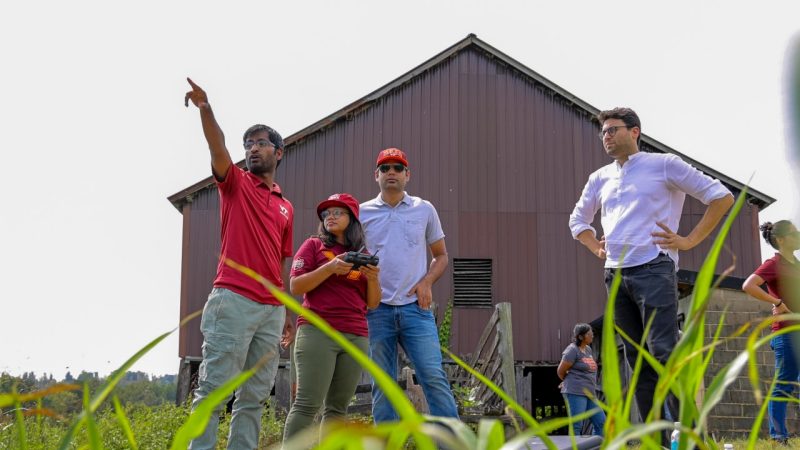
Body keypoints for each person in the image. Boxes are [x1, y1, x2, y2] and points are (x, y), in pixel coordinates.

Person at [568, 107, 734, 424]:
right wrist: (595, 246)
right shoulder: (599, 177)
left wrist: (690, 240)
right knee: (638, 360)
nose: (606, 136)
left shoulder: (663, 165)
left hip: (654, 268)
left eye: (613, 129)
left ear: (635, 131)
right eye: (603, 132)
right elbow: (578, 220)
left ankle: (690, 438)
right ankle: (655, 439)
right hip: (615, 276)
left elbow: (720, 196)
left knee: (664, 353)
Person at [184, 78, 295, 450]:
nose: (252, 149)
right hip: (233, 300)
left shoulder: (285, 206)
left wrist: (286, 309)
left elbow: (281, 260)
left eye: (261, 143)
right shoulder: (235, 183)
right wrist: (206, 108)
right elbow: (218, 146)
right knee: (214, 391)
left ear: (279, 153)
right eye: (248, 144)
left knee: (254, 397)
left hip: (270, 311)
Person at [360, 148, 459, 422]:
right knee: (383, 385)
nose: (391, 172)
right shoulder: (361, 213)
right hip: (376, 310)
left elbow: (441, 255)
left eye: (397, 168)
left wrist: (427, 282)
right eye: (385, 168)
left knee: (433, 377)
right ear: (376, 175)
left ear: (407, 175)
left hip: (417, 309)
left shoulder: (424, 209)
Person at [282, 193, 381, 442]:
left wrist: (373, 278)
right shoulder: (314, 245)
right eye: (327, 214)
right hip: (318, 331)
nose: (330, 217)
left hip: (356, 335)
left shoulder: (363, 253)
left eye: (338, 212)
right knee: (306, 404)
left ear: (353, 219)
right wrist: (329, 267)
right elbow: (296, 287)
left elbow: (372, 303)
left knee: (338, 410)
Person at [742, 220, 800, 445]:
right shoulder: (773, 263)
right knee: (784, 382)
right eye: (795, 234)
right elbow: (749, 285)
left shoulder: (795, 264)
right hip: (786, 332)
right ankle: (778, 436)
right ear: (782, 239)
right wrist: (777, 301)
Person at [557, 323, 606, 437]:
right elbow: (560, 371)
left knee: (601, 422)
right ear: (580, 337)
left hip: (590, 393)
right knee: (576, 426)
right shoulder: (572, 350)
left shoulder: (588, 349)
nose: (592, 335)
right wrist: (568, 382)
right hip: (576, 392)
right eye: (589, 334)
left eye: (592, 333)